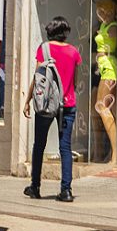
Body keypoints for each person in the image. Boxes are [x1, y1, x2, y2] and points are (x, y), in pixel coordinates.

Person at [23, 16, 81, 202]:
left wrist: (28, 100)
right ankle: (66, 190)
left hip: (47, 103)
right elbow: (75, 80)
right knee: (65, 147)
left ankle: (35, 186)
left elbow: (38, 77)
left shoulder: (44, 49)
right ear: (65, 33)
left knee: (39, 145)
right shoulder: (74, 52)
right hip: (68, 105)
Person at [94, 0, 117, 165]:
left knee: (103, 107)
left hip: (110, 68)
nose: (100, 14)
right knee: (107, 109)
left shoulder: (113, 27)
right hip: (104, 68)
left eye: (102, 11)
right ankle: (113, 151)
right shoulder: (103, 26)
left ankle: (115, 152)